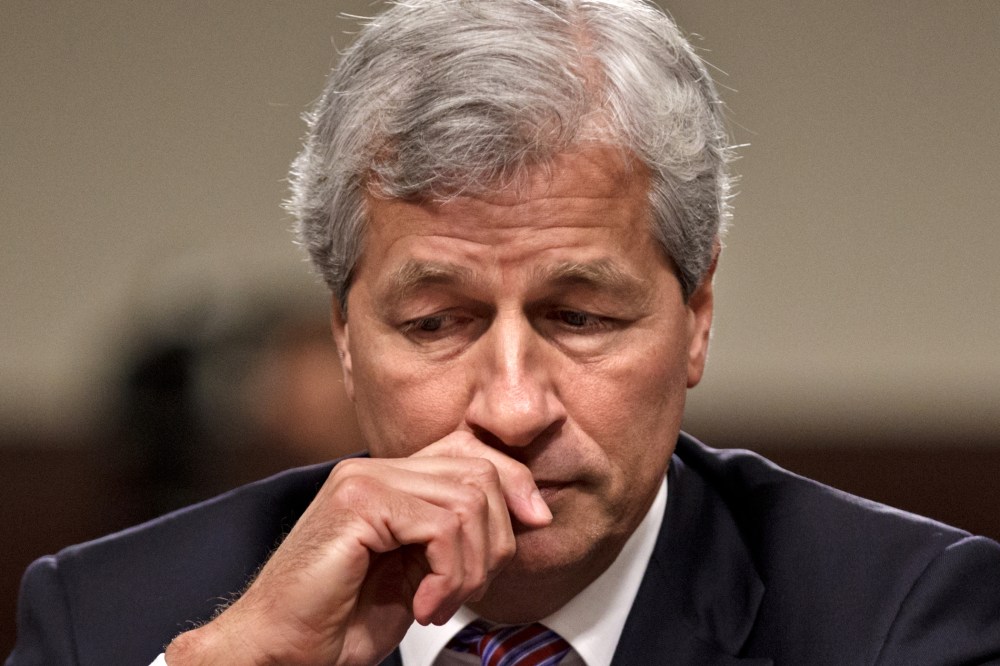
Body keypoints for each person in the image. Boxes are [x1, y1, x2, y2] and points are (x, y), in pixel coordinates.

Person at [7, 1, 1000, 664]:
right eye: (436, 323)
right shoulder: (108, 623)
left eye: (580, 317)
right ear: (344, 335)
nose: (514, 407)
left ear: (695, 316)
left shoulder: (897, 623)